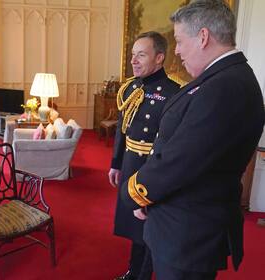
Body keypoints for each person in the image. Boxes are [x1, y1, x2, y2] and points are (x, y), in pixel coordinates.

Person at [121, 1, 265, 279]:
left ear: (203, 37)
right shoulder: (225, 78)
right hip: (182, 223)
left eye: (178, 40)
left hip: (187, 232)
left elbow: (179, 162)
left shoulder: (222, 88)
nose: (175, 50)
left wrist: (134, 193)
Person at [108, 31, 180, 280]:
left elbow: (169, 144)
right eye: (132, 55)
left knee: (149, 225)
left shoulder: (173, 93)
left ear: (159, 58)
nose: (133, 61)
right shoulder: (130, 88)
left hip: (152, 169)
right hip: (130, 164)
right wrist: (116, 164)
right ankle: (133, 272)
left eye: (141, 55)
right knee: (134, 225)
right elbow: (122, 128)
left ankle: (143, 275)